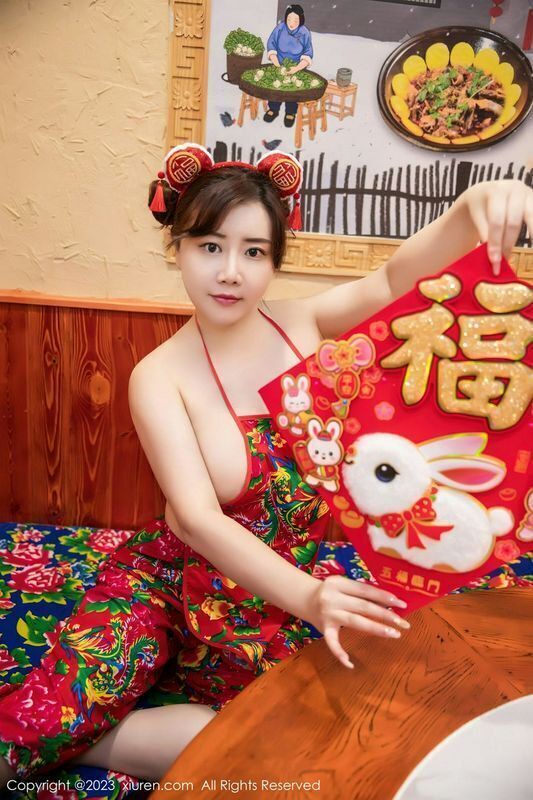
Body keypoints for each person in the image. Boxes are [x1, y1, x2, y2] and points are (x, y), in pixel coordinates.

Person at [0, 141, 531, 789]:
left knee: (289, 742)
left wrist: (472, 207)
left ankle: (93, 742)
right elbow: (194, 520)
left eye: (253, 252)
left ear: (275, 259)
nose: (230, 272)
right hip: (169, 583)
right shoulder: (158, 376)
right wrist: (309, 595)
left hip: (267, 600)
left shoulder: (303, 325)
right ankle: (66, 735)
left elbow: (397, 281)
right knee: (41, 717)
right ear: (177, 248)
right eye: (210, 246)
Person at [264, 4, 313, 128]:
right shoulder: (280, 28)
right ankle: (273, 108)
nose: (291, 23)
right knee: (276, 85)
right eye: (289, 19)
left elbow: (308, 53)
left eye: (296, 20)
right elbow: (271, 44)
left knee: (293, 88)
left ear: (301, 20)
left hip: (297, 67)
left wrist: (296, 68)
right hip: (279, 64)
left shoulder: (304, 32)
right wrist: (277, 64)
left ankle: (290, 111)